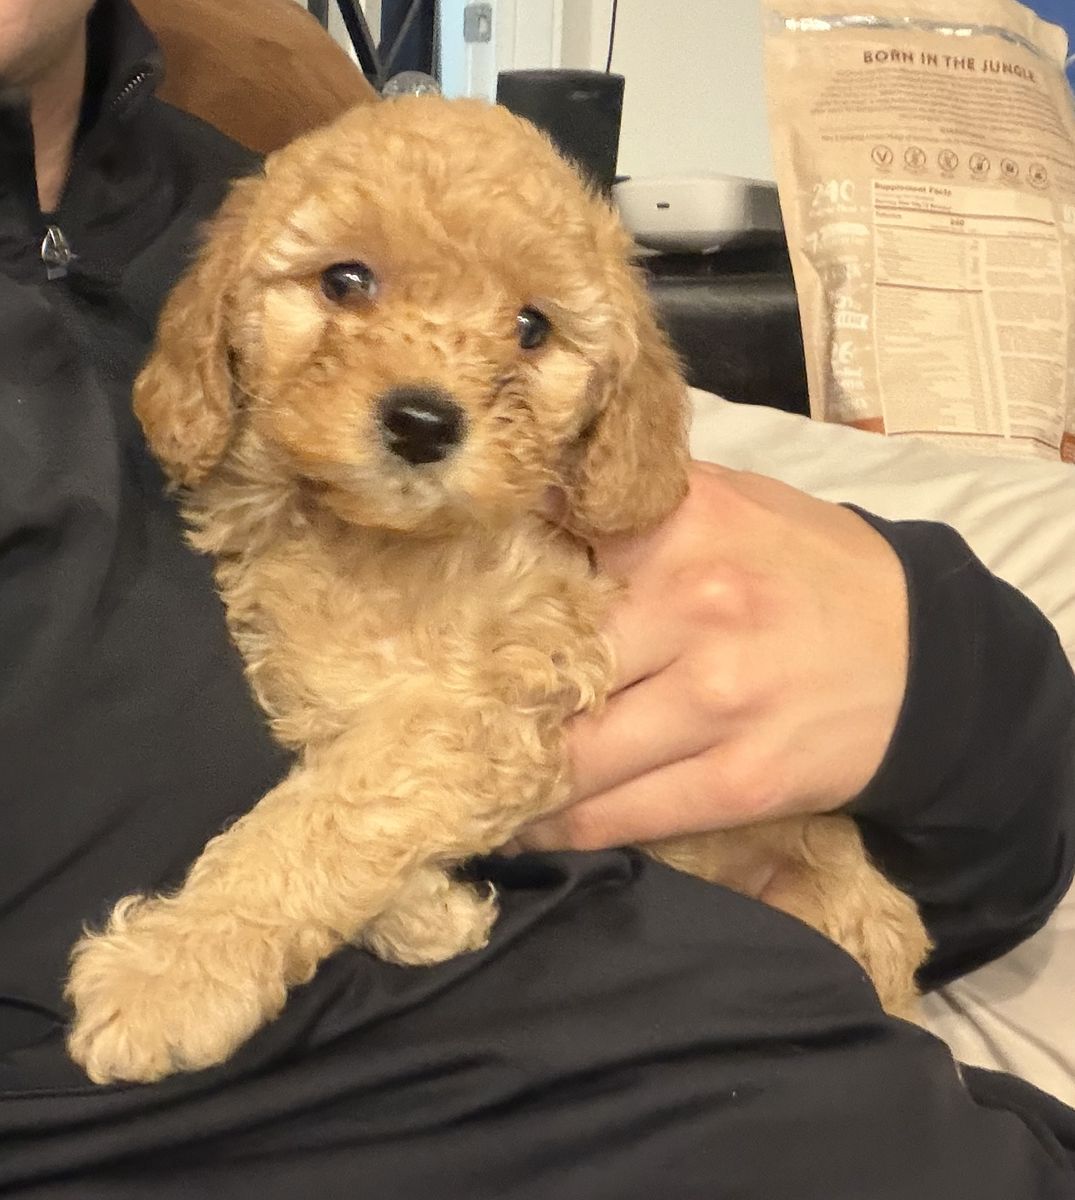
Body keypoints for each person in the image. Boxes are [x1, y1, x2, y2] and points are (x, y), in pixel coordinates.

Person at [1, 1, 1073, 1196]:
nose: (431, 383)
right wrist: (261, 916)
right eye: (347, 284)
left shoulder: (229, 183)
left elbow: (989, 845)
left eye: (524, 330)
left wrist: (948, 673)